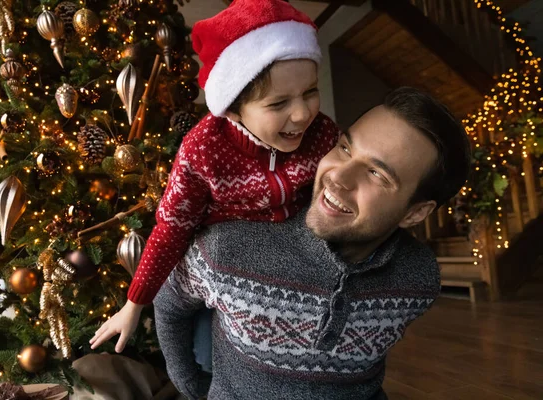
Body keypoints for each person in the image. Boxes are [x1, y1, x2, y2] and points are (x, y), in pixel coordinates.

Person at [153, 87, 472, 399]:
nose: (338, 177)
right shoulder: (227, 245)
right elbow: (168, 305)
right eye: (345, 148)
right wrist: (191, 387)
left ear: (416, 213)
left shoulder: (420, 278)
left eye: (376, 173)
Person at [90, 0, 340, 353]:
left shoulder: (323, 134)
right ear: (234, 110)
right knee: (211, 355)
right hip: (226, 269)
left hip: (296, 262)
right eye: (278, 103)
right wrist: (134, 303)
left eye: (310, 92)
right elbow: (172, 227)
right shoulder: (202, 151)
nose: (302, 114)